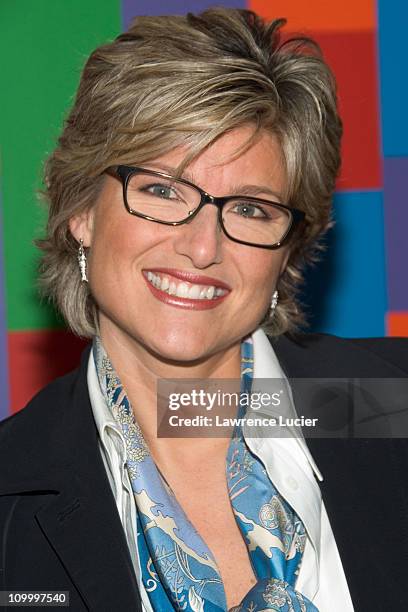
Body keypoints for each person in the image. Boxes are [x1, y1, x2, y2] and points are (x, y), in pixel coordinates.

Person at [0, 7, 407, 611]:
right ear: (82, 210)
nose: (201, 246)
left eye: (251, 208)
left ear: (288, 247)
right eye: (162, 190)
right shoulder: (12, 489)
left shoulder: (390, 404)